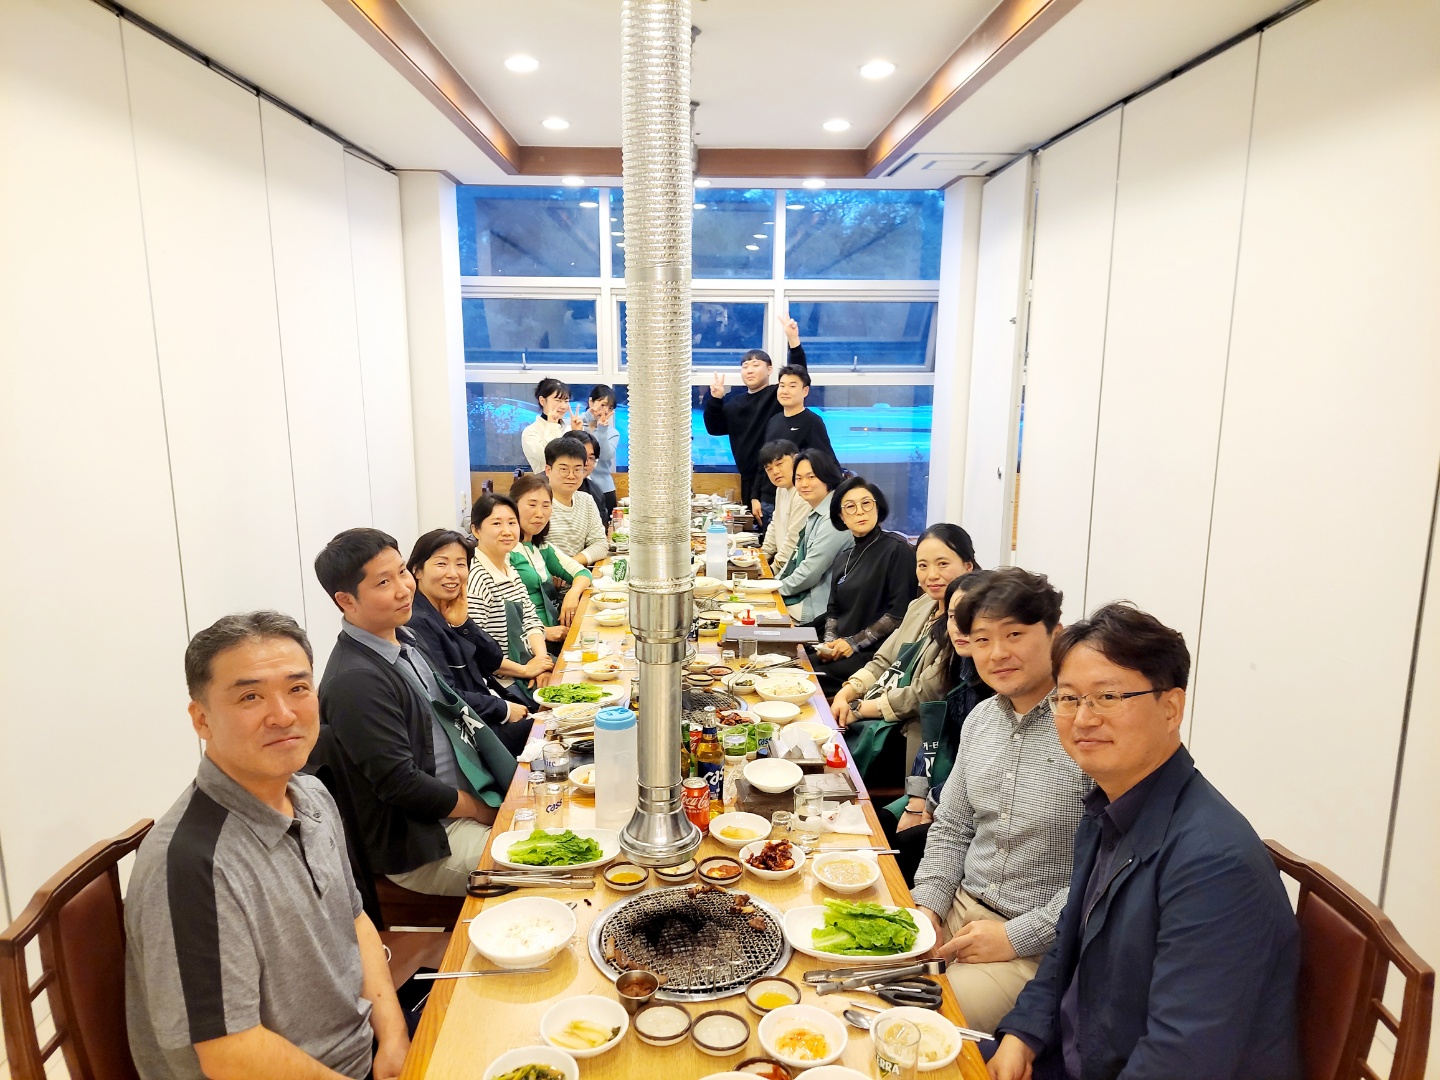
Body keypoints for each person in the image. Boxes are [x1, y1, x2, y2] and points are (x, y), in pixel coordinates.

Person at [990, 603, 1301, 1080]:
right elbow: (1067, 947)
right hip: (1074, 1053)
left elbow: (1181, 1057)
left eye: (1108, 696)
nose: (1083, 718)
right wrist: (1023, 1034)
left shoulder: (1214, 864)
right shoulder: (1109, 806)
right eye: (1068, 698)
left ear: (1171, 708)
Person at [126, 611, 409, 1080]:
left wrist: (396, 1039)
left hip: (363, 1050)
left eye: (297, 688)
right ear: (202, 719)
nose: (283, 715)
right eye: (250, 696)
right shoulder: (194, 864)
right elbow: (231, 1055)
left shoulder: (311, 795)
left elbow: (354, 918)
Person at [911, 567, 1092, 1034]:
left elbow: (1101, 874)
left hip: (1034, 944)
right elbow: (952, 827)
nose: (998, 653)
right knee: (853, 982)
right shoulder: (981, 721)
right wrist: (928, 908)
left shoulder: (1087, 731)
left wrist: (1015, 936)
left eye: (1014, 634)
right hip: (959, 908)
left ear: (1056, 634)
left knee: (921, 1027)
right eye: (983, 639)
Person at [316, 528, 517, 897]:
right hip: (425, 839)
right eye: (383, 582)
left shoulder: (405, 638)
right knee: (538, 866)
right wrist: (481, 810)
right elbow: (401, 783)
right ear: (346, 600)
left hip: (468, 800)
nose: (404, 589)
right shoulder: (355, 680)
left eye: (401, 572)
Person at [831, 524, 979, 782]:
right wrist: (847, 692)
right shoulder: (921, 605)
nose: (932, 575)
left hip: (910, 733)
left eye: (943, 564)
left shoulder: (967, 625)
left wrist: (859, 708)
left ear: (968, 566)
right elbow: (884, 661)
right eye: (923, 565)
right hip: (874, 711)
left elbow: (924, 693)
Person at [881, 571, 997, 884]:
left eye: (972, 617)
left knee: (903, 844)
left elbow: (977, 776)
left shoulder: (996, 684)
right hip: (939, 785)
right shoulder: (957, 664)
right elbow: (934, 738)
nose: (960, 627)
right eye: (953, 616)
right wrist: (917, 798)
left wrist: (927, 802)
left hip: (963, 803)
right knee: (881, 822)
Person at [404, 528, 535, 757]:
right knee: (553, 730)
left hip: (487, 711)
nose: (453, 574)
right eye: (441, 564)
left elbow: (493, 659)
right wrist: (504, 709)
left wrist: (464, 624)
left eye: (460, 564)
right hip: (472, 734)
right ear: (417, 570)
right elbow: (446, 695)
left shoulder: (449, 608)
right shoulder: (418, 622)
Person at [807, 477, 916, 696]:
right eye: (850, 506)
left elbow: (898, 615)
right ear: (841, 516)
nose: (860, 512)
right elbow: (833, 610)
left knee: (804, 674)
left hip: (874, 653)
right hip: (842, 648)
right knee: (793, 661)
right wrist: (829, 645)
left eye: (866, 503)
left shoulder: (897, 549)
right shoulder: (844, 557)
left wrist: (853, 643)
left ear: (877, 507)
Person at [702, 314, 808, 525]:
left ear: (769, 369)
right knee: (754, 533)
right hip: (748, 479)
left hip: (776, 478)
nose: (749, 370)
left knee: (779, 529)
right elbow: (714, 427)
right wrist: (715, 398)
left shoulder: (777, 395)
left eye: (755, 364)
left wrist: (793, 341)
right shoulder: (735, 403)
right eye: (745, 366)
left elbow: (798, 375)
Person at [742, 448, 852, 623]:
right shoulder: (816, 512)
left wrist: (771, 588)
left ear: (827, 477)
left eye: (811, 477)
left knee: (745, 616)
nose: (803, 484)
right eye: (799, 478)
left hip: (813, 608)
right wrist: (772, 582)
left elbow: (809, 572)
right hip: (799, 597)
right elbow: (794, 558)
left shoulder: (833, 519)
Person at [465, 493, 555, 684]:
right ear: (476, 530)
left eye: (512, 523)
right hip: (504, 682)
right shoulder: (476, 577)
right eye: (497, 523)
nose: (507, 531)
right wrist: (525, 671)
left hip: (528, 665)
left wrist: (541, 662)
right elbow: (474, 647)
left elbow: (531, 620)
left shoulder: (509, 568)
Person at [509, 473, 593, 651]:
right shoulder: (506, 551)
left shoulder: (542, 548)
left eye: (546, 505)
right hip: (528, 645)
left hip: (555, 635)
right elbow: (501, 614)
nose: (539, 514)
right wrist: (544, 632)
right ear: (513, 507)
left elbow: (583, 573)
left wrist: (573, 593)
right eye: (532, 505)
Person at [752, 363, 836, 512]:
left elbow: (826, 460)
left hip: (798, 500)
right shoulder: (774, 420)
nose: (785, 391)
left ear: (805, 391)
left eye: (792, 386)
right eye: (782, 386)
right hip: (768, 499)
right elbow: (764, 461)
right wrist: (755, 496)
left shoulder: (812, 421)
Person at [542, 436, 608, 566]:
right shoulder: (538, 503)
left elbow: (600, 544)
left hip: (577, 573)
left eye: (577, 469)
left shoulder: (586, 500)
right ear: (548, 470)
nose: (571, 476)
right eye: (564, 469)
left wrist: (569, 566)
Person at [757, 439, 805, 570]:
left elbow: (794, 539)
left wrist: (773, 570)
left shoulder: (803, 493)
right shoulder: (781, 489)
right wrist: (761, 558)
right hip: (783, 564)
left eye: (779, 464)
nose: (775, 472)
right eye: (769, 469)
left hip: (795, 567)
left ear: (796, 460)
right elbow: (775, 524)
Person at [520, 377, 581, 473]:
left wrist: (577, 433)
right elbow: (551, 456)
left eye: (566, 401)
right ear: (542, 401)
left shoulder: (569, 428)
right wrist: (552, 425)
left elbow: (582, 460)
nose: (563, 406)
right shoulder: (530, 432)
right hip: (545, 482)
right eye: (558, 400)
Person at [582, 384, 621, 519]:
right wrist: (588, 416)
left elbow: (605, 456)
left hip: (604, 489)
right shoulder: (577, 425)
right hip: (579, 487)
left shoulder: (612, 433)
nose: (605, 410)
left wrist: (602, 430)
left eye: (610, 408)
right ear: (591, 402)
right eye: (602, 404)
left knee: (606, 527)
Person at [572, 429, 609, 517]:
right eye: (582, 456)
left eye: (591, 458)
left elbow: (602, 523)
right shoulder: (544, 488)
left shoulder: (596, 492)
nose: (586, 463)